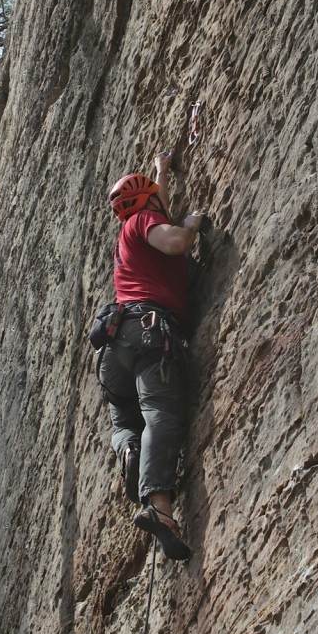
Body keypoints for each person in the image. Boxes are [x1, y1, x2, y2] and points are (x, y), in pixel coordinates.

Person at [99, 151, 204, 561]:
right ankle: (160, 508)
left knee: (125, 422)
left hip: (115, 349)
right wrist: (193, 222)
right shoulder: (143, 222)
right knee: (161, 412)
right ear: (149, 204)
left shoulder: (128, 238)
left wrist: (161, 171)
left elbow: (157, 204)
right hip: (149, 335)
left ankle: (128, 449)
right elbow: (175, 239)